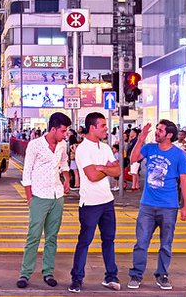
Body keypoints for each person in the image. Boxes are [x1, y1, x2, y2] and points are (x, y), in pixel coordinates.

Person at [126, 120, 186, 291]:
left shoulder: (178, 154)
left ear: (169, 135)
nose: (157, 132)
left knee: (166, 244)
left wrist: (185, 207)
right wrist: (141, 139)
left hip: (169, 207)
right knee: (141, 242)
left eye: (160, 130)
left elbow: (184, 181)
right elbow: (133, 159)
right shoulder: (150, 148)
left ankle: (162, 274)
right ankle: (136, 274)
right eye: (157, 129)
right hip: (147, 205)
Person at [17, 111, 71, 289]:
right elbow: (27, 171)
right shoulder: (35, 145)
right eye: (63, 131)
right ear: (53, 129)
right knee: (33, 236)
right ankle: (25, 273)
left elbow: (64, 163)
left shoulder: (62, 145)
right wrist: (29, 197)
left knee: (52, 237)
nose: (65, 134)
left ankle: (48, 272)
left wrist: (67, 179)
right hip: (39, 196)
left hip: (57, 196)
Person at [69, 112, 121, 293]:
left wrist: (103, 168)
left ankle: (111, 276)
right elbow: (91, 176)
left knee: (109, 240)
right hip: (90, 203)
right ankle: (76, 278)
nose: (107, 129)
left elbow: (118, 171)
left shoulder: (105, 147)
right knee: (84, 241)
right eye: (103, 126)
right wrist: (108, 169)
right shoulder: (83, 149)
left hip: (107, 201)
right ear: (92, 128)